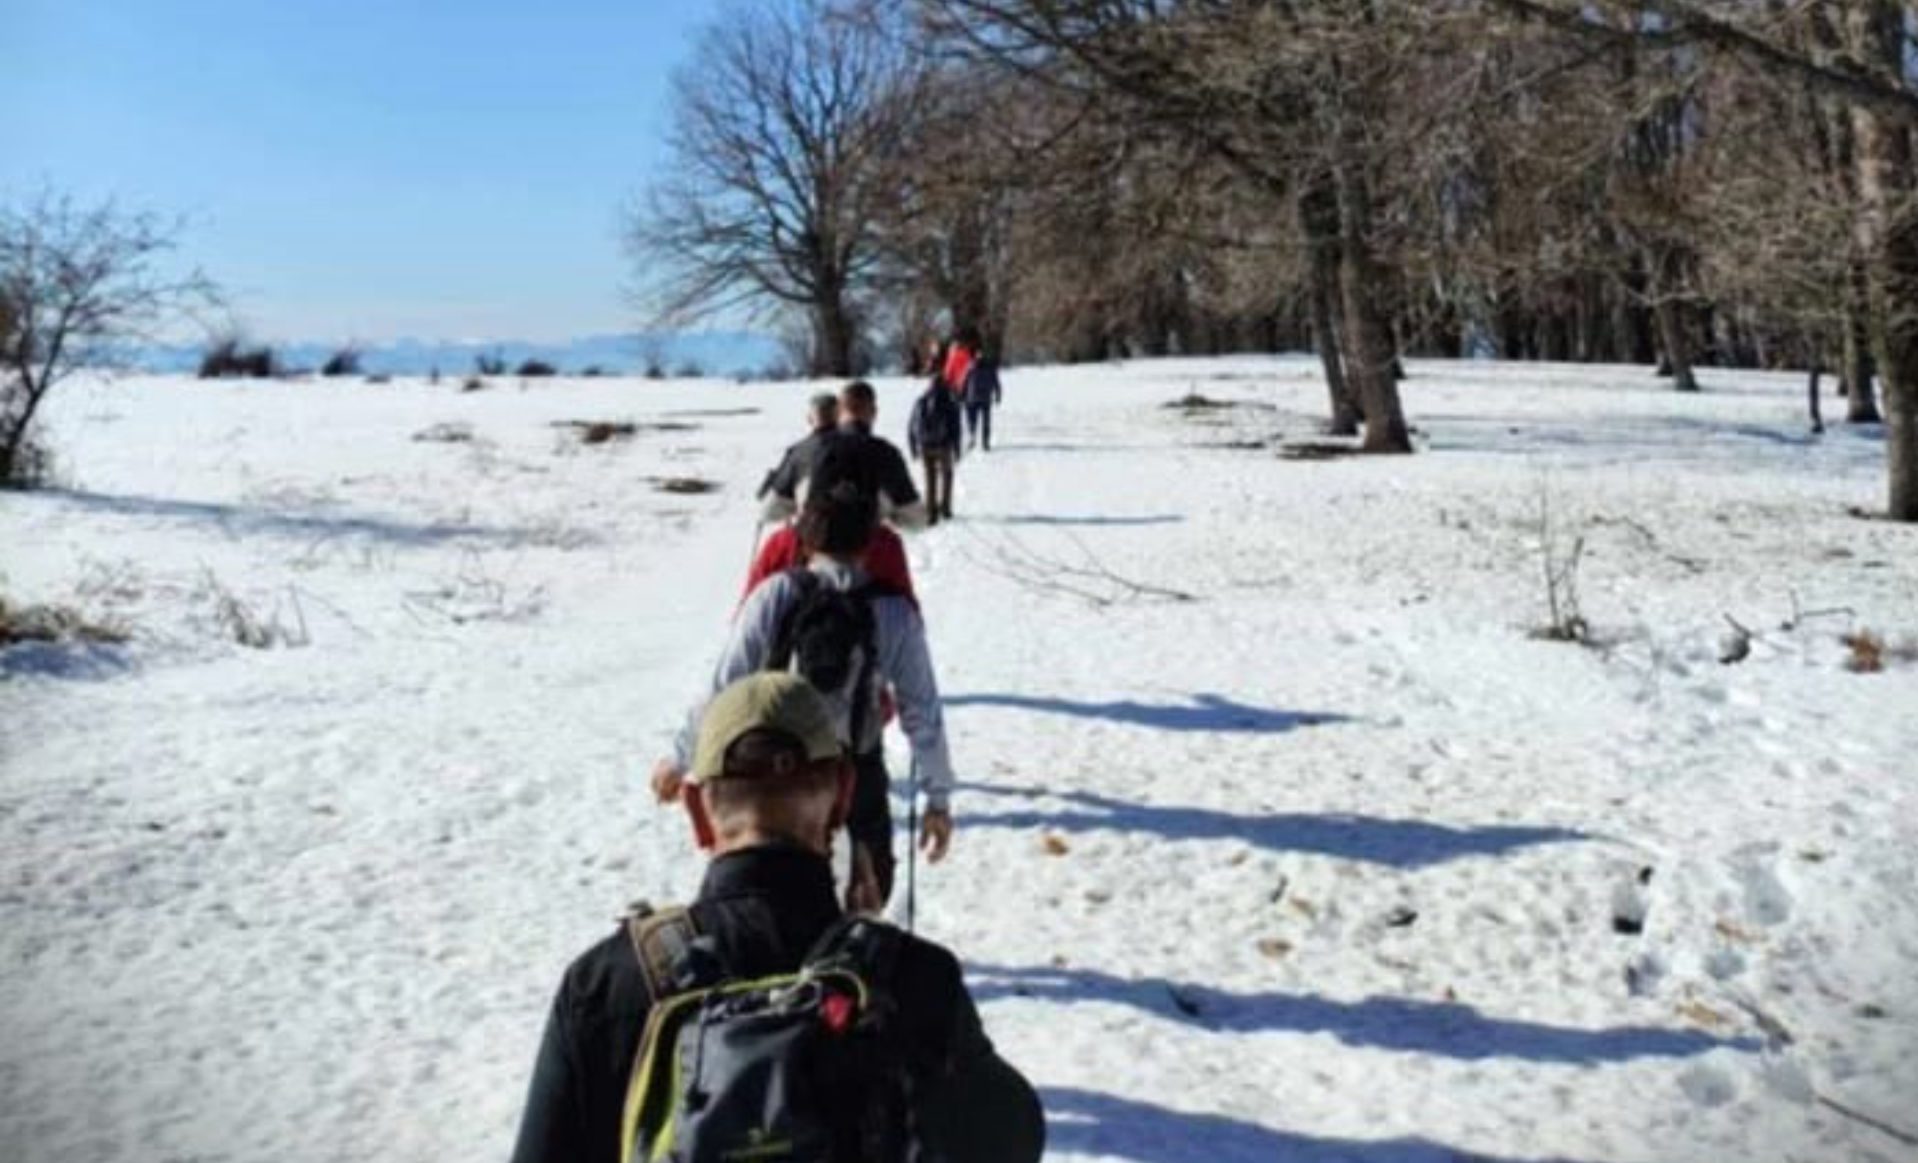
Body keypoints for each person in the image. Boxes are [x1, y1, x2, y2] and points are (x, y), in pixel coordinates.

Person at [514, 673, 1044, 1163]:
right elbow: (1013, 1140)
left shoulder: (607, 984)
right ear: (841, 796)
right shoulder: (913, 976)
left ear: (698, 811)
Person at [655, 479, 953, 906]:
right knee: (866, 894)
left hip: (772, 772)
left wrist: (681, 756)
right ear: (870, 541)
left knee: (770, 893)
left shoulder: (775, 595)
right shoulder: (892, 611)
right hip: (856, 767)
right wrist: (937, 798)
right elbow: (922, 710)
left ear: (806, 538)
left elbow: (724, 685)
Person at [755, 391, 839, 507]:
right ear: (840, 416)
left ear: (809, 418)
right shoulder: (864, 444)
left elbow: (771, 502)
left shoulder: (798, 451)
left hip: (813, 520)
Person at [909, 372, 963, 525]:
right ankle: (945, 508)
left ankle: (931, 511)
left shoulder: (921, 401)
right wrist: (957, 448)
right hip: (944, 445)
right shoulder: (950, 401)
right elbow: (956, 427)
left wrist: (913, 446)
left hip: (925, 445)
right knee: (947, 476)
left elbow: (911, 425)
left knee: (930, 478)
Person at [963, 350, 1003, 452]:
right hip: (973, 398)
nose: (980, 357)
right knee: (973, 421)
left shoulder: (988, 368)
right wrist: (962, 395)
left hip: (982, 399)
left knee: (984, 422)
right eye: (978, 354)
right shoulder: (971, 367)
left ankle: (985, 442)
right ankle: (973, 438)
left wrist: (998, 395)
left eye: (981, 355)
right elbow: (964, 382)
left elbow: (996, 383)